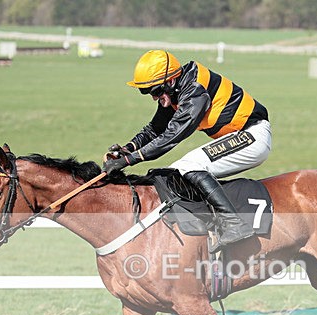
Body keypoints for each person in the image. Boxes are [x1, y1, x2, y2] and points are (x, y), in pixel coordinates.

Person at [103, 49, 271, 252]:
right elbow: (156, 128)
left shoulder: (194, 91)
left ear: (170, 81)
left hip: (252, 136)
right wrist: (128, 148)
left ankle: (234, 224)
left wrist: (130, 160)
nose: (154, 98)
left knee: (189, 166)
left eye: (155, 91)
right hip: (237, 135)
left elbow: (173, 135)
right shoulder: (177, 88)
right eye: (147, 92)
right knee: (177, 171)